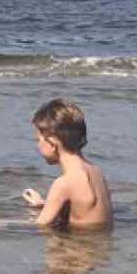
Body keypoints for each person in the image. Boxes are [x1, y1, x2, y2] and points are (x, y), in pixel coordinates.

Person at [21, 97, 113, 232]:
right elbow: (84, 209)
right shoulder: (97, 173)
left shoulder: (64, 184)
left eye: (38, 140)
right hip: (99, 249)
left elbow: (39, 226)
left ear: (52, 144)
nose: (37, 146)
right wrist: (45, 205)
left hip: (74, 250)